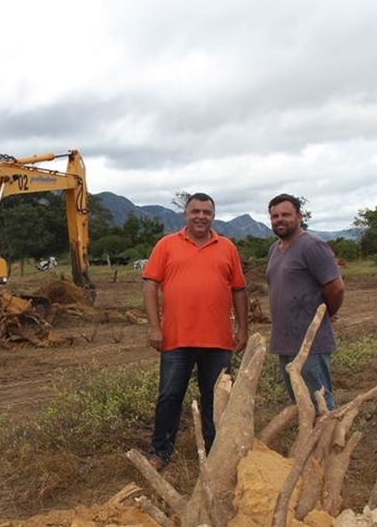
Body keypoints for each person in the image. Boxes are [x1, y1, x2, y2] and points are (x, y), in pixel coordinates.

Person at [142, 192, 249, 471]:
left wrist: (243, 329)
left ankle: (217, 454)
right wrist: (155, 327)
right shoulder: (166, 245)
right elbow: (149, 285)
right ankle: (160, 452)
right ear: (185, 214)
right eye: (195, 211)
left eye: (207, 212)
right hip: (176, 339)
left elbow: (239, 289)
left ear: (213, 216)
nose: (201, 216)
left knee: (216, 398)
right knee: (169, 396)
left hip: (218, 340)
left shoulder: (227, 247)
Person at [266, 193, 345, 413]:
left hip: (310, 342)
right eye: (275, 216)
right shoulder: (274, 249)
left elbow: (336, 287)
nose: (280, 219)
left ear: (299, 216)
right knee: (300, 403)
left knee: (320, 401)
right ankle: (309, 446)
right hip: (284, 341)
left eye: (286, 215)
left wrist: (325, 313)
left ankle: (329, 447)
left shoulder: (312, 245)